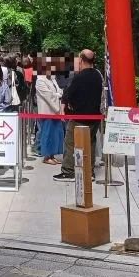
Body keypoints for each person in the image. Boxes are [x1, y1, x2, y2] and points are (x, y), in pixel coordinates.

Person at [54, 50, 103, 182]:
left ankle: (68, 171)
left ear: (81, 60)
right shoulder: (98, 76)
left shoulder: (79, 76)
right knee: (90, 143)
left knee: (70, 142)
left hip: (79, 117)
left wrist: (69, 104)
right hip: (94, 117)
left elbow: (70, 94)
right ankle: (89, 172)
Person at [35, 60, 64, 165]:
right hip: (46, 111)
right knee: (47, 133)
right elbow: (49, 95)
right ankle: (46, 156)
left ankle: (52, 154)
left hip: (55, 110)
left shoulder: (52, 79)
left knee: (56, 133)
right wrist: (58, 94)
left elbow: (59, 91)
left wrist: (57, 94)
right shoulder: (40, 81)